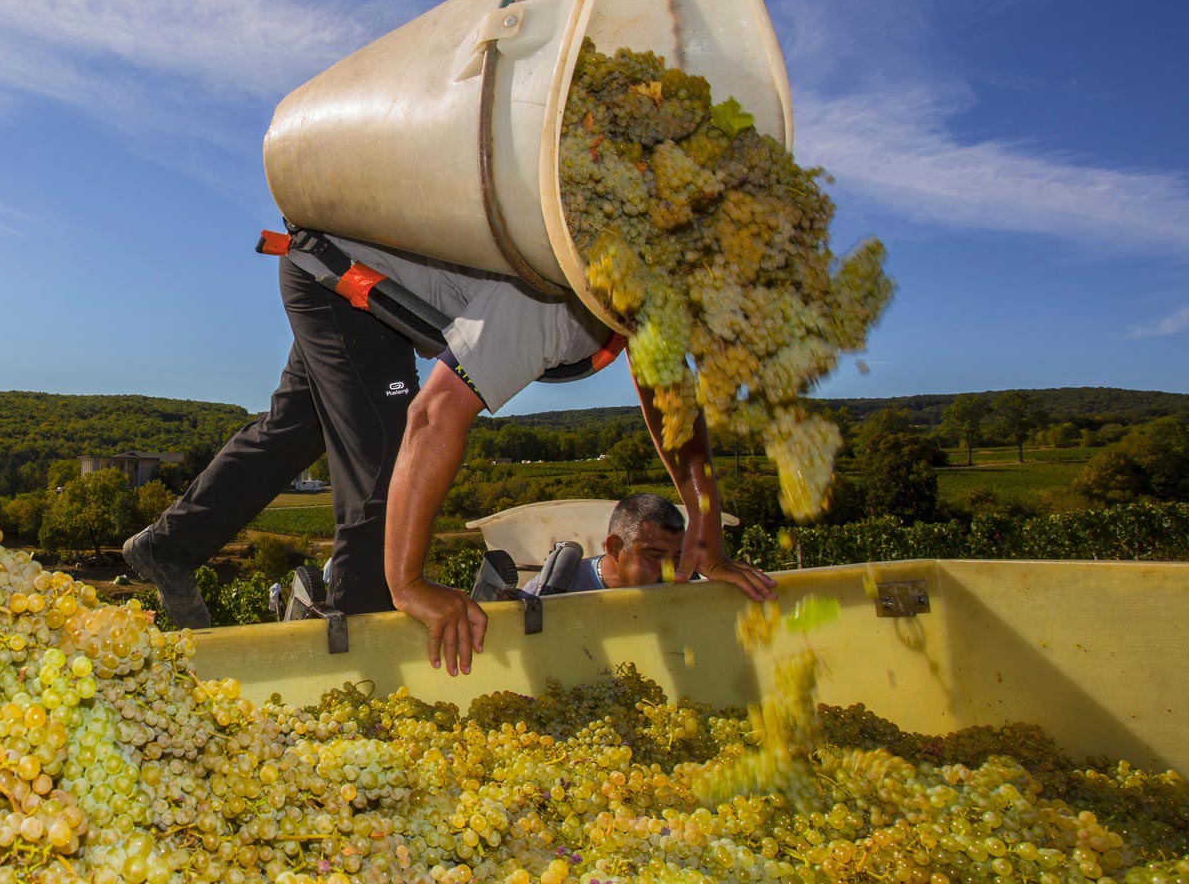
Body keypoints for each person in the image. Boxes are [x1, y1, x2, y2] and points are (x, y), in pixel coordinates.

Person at [123, 234, 775, 675]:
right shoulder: (558, 300)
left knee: (295, 429)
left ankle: (169, 546)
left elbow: (670, 401)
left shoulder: (634, 282)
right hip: (342, 274)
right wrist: (408, 584)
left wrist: (705, 523)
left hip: (339, 262)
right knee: (382, 461)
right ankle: (356, 671)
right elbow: (432, 417)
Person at [522, 493, 692, 594]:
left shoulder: (689, 587)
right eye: (655, 556)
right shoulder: (557, 588)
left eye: (678, 556)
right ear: (615, 547)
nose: (670, 571)